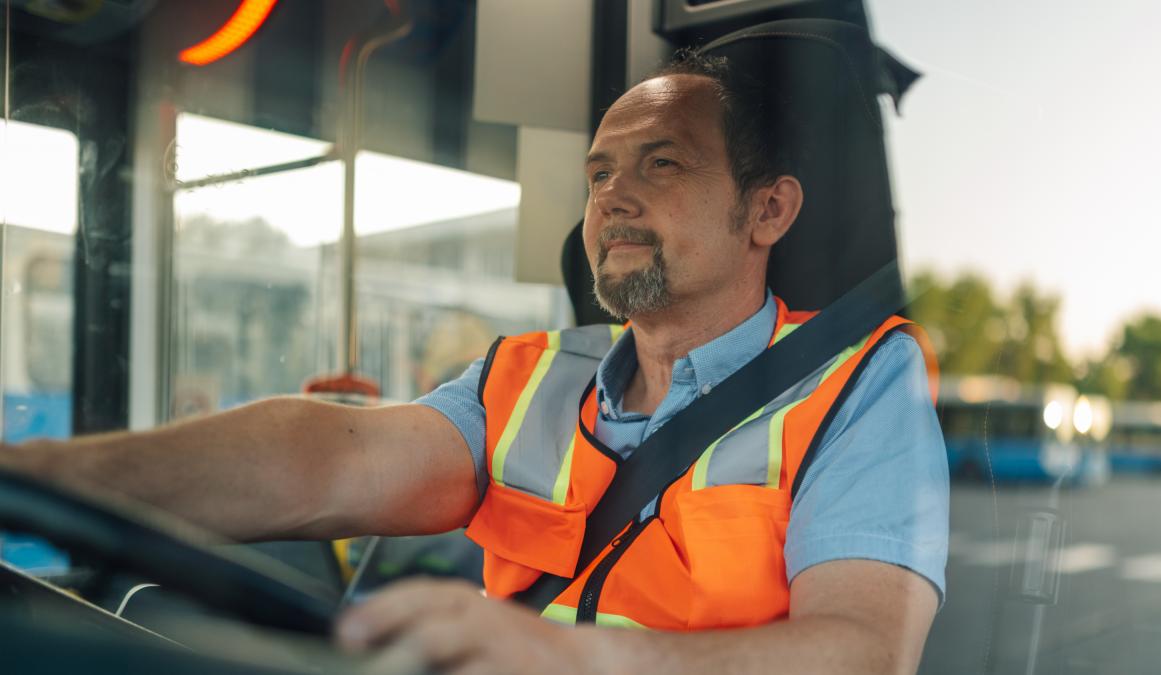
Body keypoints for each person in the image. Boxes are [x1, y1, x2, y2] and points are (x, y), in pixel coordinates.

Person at [1, 50, 948, 674]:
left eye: (661, 164)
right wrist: (35, 479)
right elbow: (326, 459)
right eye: (600, 172)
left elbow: (864, 649)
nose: (614, 197)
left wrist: (563, 660)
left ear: (768, 211)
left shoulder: (860, 381)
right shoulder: (529, 374)